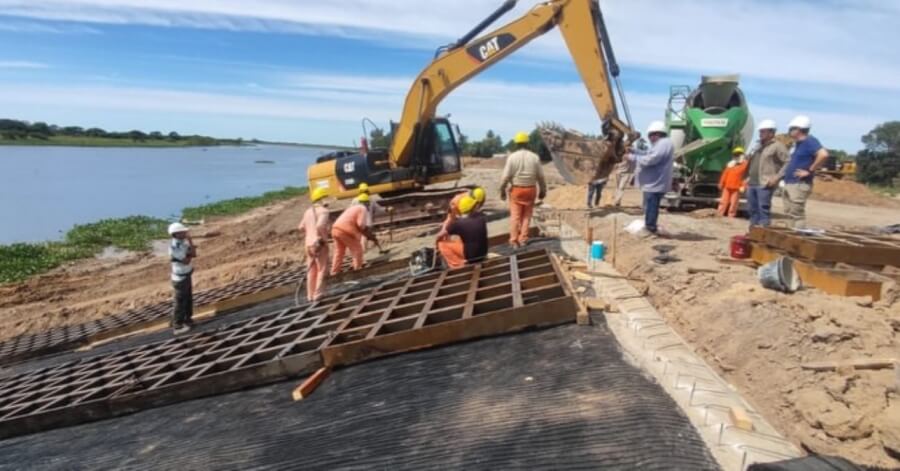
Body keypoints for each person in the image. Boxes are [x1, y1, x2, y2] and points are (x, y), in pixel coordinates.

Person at [499, 131, 546, 248]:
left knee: (515, 216)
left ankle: (514, 240)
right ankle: (523, 239)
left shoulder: (512, 157)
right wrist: (543, 190)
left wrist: (502, 190)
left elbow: (505, 177)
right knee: (527, 216)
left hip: (516, 190)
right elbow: (541, 177)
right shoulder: (534, 157)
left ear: (516, 144)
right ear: (527, 143)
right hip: (531, 190)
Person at [628, 121, 674, 235]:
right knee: (650, 205)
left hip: (655, 183)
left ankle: (650, 228)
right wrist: (634, 151)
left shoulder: (663, 144)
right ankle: (650, 225)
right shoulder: (661, 144)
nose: (650, 138)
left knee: (651, 206)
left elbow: (651, 159)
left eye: (651, 135)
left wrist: (632, 157)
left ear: (658, 134)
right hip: (654, 183)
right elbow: (648, 153)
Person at [782, 115, 828, 228]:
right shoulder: (798, 144)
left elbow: (823, 155)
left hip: (799, 184)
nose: (789, 131)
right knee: (789, 212)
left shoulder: (810, 141)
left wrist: (809, 171)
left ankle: (797, 236)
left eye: (792, 128)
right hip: (790, 182)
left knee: (796, 214)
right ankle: (789, 234)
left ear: (799, 129)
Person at [745, 119, 789, 227]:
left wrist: (776, 177)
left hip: (765, 183)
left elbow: (788, 162)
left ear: (771, 132)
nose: (760, 134)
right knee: (752, 209)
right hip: (752, 182)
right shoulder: (757, 145)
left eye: (763, 131)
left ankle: (763, 230)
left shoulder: (778, 146)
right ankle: (753, 231)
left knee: (763, 209)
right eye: (760, 131)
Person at [330, 193, 382, 275]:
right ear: (366, 203)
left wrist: (367, 234)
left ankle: (335, 271)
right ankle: (357, 270)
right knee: (357, 250)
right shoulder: (362, 208)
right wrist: (368, 234)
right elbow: (361, 224)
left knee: (339, 251)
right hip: (345, 231)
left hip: (335, 229)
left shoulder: (352, 208)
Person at [436, 195, 488, 269]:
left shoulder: (458, 224)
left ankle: (458, 266)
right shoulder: (481, 217)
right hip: (483, 254)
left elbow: (441, 235)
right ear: (473, 208)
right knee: (462, 238)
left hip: (471, 257)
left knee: (442, 244)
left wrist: (436, 244)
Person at [299, 187, 331, 302]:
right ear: (322, 198)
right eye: (326, 197)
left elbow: (301, 227)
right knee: (322, 269)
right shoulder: (324, 211)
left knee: (311, 270)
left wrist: (310, 234)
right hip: (319, 244)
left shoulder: (308, 211)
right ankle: (318, 294)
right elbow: (320, 226)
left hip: (308, 244)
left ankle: (310, 295)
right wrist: (324, 239)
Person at [168, 222, 196, 334]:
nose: (185, 233)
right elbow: (186, 261)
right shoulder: (174, 247)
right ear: (176, 234)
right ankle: (177, 326)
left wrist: (190, 242)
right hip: (180, 279)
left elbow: (194, 254)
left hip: (187, 275)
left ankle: (187, 320)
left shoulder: (183, 242)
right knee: (179, 302)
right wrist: (190, 253)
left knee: (188, 299)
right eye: (182, 232)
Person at [717, 147, 749, 218]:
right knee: (723, 202)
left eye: (739, 154)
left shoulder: (745, 165)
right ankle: (719, 215)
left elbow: (746, 177)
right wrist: (721, 183)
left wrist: (743, 186)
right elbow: (724, 174)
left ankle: (731, 216)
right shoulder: (730, 164)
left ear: (742, 155)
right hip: (727, 186)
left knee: (734, 203)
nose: (737, 156)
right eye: (736, 154)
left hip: (736, 188)